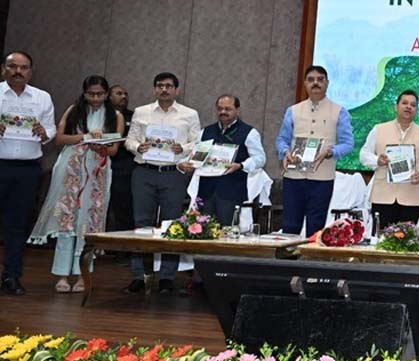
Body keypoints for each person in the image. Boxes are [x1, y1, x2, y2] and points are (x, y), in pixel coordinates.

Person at [28, 75, 124, 292]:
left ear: (107, 94)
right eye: (91, 94)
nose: (96, 98)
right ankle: (62, 275)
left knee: (88, 221)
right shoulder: (74, 110)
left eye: (100, 94)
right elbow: (60, 139)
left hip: (97, 171)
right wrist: (86, 137)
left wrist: (100, 145)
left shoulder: (115, 115)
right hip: (71, 169)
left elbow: (113, 149)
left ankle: (82, 275)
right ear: (84, 93)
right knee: (66, 219)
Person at [122, 72, 201, 294]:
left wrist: (182, 148)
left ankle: (167, 277)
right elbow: (130, 139)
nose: (164, 89)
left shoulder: (189, 114)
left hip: (173, 173)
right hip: (144, 172)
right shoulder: (141, 111)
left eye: (168, 86)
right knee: (141, 223)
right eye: (159, 86)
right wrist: (138, 147)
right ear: (154, 89)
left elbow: (197, 142)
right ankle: (139, 276)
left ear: (177, 90)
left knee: (171, 226)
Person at [0, 51, 56, 295]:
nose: (18, 72)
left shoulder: (42, 98)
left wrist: (45, 133)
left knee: (17, 225)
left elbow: (51, 129)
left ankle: (11, 276)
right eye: (13, 66)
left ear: (31, 72)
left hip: (27, 169)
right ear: (4, 69)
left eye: (23, 68)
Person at [276, 65, 354, 237]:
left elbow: (348, 143)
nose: (315, 83)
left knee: (316, 227)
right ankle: (288, 256)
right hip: (293, 177)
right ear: (305, 84)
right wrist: (285, 151)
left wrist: (330, 151)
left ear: (327, 83)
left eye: (320, 79)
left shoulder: (339, 112)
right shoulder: (293, 110)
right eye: (311, 80)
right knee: (290, 225)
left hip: (322, 179)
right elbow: (281, 139)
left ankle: (311, 255)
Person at [179, 94, 266, 225]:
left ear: (237, 110)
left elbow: (260, 158)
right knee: (203, 230)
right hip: (205, 192)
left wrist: (241, 165)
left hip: (231, 192)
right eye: (220, 109)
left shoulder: (249, 132)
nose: (223, 112)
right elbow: (195, 154)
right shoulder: (205, 132)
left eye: (228, 109)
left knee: (227, 232)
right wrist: (182, 164)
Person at [359, 90, 419, 227]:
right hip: (383, 196)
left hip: (411, 196)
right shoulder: (379, 129)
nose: (408, 107)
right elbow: (364, 155)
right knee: (381, 237)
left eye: (413, 105)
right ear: (396, 107)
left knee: (407, 238)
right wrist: (377, 160)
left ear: (416, 110)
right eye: (404, 103)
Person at [107, 84, 135, 234]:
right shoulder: (103, 116)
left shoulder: (134, 116)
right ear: (109, 96)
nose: (123, 96)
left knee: (124, 208)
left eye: (126, 94)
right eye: (119, 93)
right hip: (102, 165)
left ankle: (123, 243)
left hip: (125, 169)